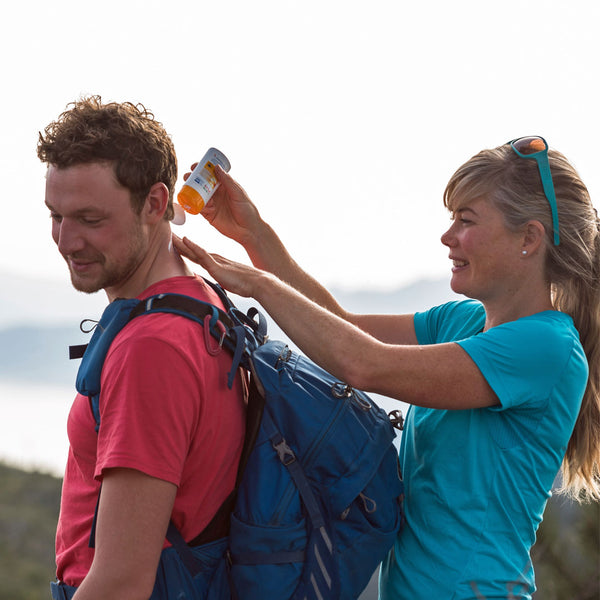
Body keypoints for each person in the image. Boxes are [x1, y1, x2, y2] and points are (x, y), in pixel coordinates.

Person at [173, 136, 600, 600]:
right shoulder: (462, 322)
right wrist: (253, 233)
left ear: (529, 239)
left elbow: (363, 364)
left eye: (466, 220)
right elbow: (344, 326)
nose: (447, 235)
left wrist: (260, 286)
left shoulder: (545, 346)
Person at [37, 96, 246, 600]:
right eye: (56, 216)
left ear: (155, 204)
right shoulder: (201, 300)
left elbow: (121, 582)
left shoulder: (152, 349)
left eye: (89, 219)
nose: (66, 240)